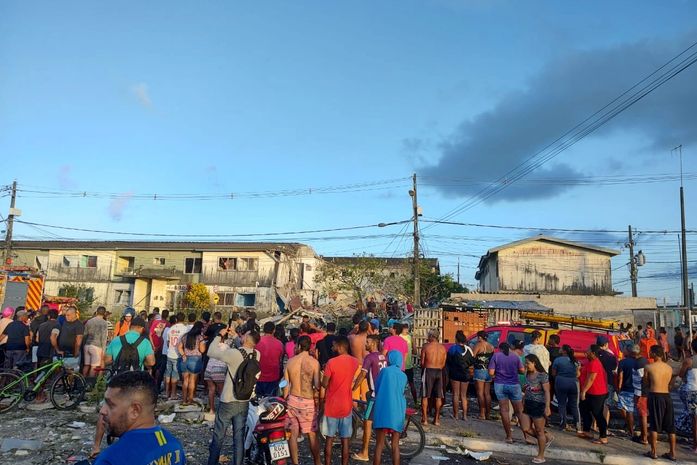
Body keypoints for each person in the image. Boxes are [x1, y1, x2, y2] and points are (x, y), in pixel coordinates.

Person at [93, 371, 186, 465]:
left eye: (110, 405)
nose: (102, 411)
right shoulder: (174, 445)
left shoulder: (111, 459)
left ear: (135, 411)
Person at [207, 329, 261, 465]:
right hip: (244, 400)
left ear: (247, 339)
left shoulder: (233, 354)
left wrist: (219, 335)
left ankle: (212, 462)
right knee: (239, 437)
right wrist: (236, 336)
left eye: (245, 335)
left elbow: (211, 352)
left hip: (228, 400)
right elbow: (244, 349)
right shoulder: (256, 354)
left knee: (219, 436)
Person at [283, 335, 321, 465]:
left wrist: (284, 399)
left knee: (292, 434)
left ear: (299, 346)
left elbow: (285, 385)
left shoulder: (290, 362)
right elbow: (317, 385)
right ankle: (317, 462)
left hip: (292, 400)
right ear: (310, 346)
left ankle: (295, 463)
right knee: (311, 434)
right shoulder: (314, 363)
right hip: (307, 402)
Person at [320, 335, 358, 465]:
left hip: (332, 405)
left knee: (329, 439)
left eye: (334, 345)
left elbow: (324, 384)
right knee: (345, 439)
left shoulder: (331, 363)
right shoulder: (354, 362)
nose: (332, 347)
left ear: (341, 347)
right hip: (346, 404)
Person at [351, 334, 386, 462]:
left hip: (374, 395)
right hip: (382, 394)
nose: (365, 344)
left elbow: (363, 374)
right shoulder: (382, 357)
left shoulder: (369, 357)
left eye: (368, 342)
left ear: (374, 343)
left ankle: (364, 452)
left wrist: (353, 388)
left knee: (367, 422)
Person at [371, 350, 407, 465]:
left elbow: (376, 388)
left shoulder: (384, 371)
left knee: (379, 445)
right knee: (395, 446)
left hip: (383, 410)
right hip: (398, 411)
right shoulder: (403, 375)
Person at [643, 345, 677, 461]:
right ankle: (672, 453)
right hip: (667, 396)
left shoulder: (648, 367)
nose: (649, 353)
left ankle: (653, 452)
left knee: (654, 424)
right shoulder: (669, 368)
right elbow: (670, 384)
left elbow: (646, 382)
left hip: (655, 395)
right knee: (670, 427)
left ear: (654, 353)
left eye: (650, 352)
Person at [489, 342, 526, 444]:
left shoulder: (496, 356)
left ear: (500, 349)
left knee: (504, 411)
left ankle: (509, 436)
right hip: (514, 385)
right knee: (519, 412)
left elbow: (491, 372)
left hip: (500, 385)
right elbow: (522, 371)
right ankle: (526, 436)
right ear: (510, 348)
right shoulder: (515, 357)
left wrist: (496, 375)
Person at [521, 354, 553, 464]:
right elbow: (525, 388)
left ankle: (541, 455)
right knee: (525, 428)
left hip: (539, 405)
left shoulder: (542, 375)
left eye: (528, 363)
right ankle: (546, 438)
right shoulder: (527, 374)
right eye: (525, 363)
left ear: (534, 363)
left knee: (539, 431)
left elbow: (547, 391)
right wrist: (524, 390)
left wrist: (548, 407)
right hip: (528, 404)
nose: (526, 365)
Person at [578, 345, 608, 445]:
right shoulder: (590, 362)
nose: (586, 352)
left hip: (597, 392)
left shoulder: (595, 363)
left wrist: (583, 391)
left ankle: (603, 436)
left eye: (588, 351)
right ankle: (587, 431)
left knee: (597, 413)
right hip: (591, 392)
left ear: (593, 353)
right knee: (584, 408)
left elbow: (591, 379)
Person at [551, 344, 580, 432]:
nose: (559, 349)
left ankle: (563, 423)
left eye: (561, 348)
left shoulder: (557, 360)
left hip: (561, 382)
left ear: (564, 351)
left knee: (562, 404)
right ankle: (578, 425)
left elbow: (553, 373)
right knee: (574, 405)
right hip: (573, 383)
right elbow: (578, 374)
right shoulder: (575, 361)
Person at [420, 328, 446, 425]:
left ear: (431, 336)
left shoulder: (426, 347)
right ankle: (437, 419)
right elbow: (443, 363)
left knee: (425, 395)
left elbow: (422, 363)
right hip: (439, 371)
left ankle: (425, 419)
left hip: (428, 370)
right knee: (438, 396)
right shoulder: (443, 348)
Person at [446, 330, 474, 420]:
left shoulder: (452, 349)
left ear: (456, 339)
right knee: (463, 395)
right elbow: (472, 361)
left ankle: (456, 415)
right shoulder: (469, 349)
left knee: (455, 394)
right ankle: (465, 416)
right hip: (465, 374)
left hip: (454, 374)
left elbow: (448, 361)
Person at [177, 321, 206, 405]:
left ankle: (183, 400)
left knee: (185, 381)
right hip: (195, 360)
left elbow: (179, 347)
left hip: (185, 359)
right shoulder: (200, 337)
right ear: (200, 328)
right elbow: (202, 350)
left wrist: (183, 355)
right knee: (192, 381)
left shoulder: (185, 336)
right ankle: (190, 399)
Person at [676, 339, 697, 453]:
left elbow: (680, 376)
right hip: (692, 391)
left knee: (694, 419)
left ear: (692, 348)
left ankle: (695, 445)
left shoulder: (688, 361)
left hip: (692, 391)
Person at [256, 321, 284, 397]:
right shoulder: (279, 344)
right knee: (270, 403)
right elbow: (280, 360)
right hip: (273, 377)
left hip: (258, 376)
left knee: (257, 403)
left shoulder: (257, 342)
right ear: (274, 330)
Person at [51, 306, 84, 370]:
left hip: (71, 353)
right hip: (60, 352)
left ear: (74, 315)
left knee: (70, 371)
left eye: (68, 315)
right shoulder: (62, 322)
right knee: (58, 372)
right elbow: (53, 336)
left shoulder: (79, 325)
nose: (66, 317)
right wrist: (57, 349)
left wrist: (76, 351)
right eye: (66, 315)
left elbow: (78, 339)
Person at [596, 336, 618, 430]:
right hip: (608, 382)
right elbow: (614, 369)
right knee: (606, 405)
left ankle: (594, 425)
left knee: (596, 404)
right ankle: (604, 427)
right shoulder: (611, 357)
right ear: (605, 344)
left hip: (596, 382)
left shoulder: (594, 354)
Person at [164, 313, 188, 400]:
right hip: (178, 355)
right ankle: (173, 393)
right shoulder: (185, 329)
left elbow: (167, 342)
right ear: (184, 319)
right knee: (175, 374)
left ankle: (167, 393)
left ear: (176, 319)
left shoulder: (171, 329)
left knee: (168, 373)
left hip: (169, 353)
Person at [616, 345, 638, 438]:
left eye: (624, 350)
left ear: (628, 352)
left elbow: (620, 376)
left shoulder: (622, 362)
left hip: (625, 388)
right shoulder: (637, 362)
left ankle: (630, 429)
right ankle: (629, 425)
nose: (623, 351)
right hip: (635, 389)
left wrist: (619, 387)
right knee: (627, 409)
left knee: (626, 410)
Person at [473, 330, 494, 420]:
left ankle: (482, 413)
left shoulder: (478, 345)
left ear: (480, 337)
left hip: (479, 370)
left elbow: (472, 356)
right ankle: (488, 413)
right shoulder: (491, 346)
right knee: (487, 393)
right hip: (489, 371)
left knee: (480, 393)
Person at [631, 344, 650, 445]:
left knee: (643, 414)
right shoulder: (641, 361)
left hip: (641, 392)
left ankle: (644, 437)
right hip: (640, 391)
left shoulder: (640, 363)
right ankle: (644, 435)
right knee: (642, 414)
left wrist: (641, 392)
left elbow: (644, 378)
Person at [83, 307, 109, 377]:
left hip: (87, 345)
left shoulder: (89, 321)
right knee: (93, 367)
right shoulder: (104, 323)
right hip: (97, 347)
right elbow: (104, 338)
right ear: (104, 314)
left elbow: (85, 334)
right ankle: (90, 384)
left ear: (96, 312)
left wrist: (83, 345)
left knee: (86, 365)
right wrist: (103, 351)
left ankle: (82, 381)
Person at [399, 323, 419, 404]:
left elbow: (414, 351)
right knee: (411, 384)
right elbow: (415, 351)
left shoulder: (399, 337)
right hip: (408, 365)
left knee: (401, 385)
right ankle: (415, 402)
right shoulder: (410, 337)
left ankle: (399, 401)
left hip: (401, 365)